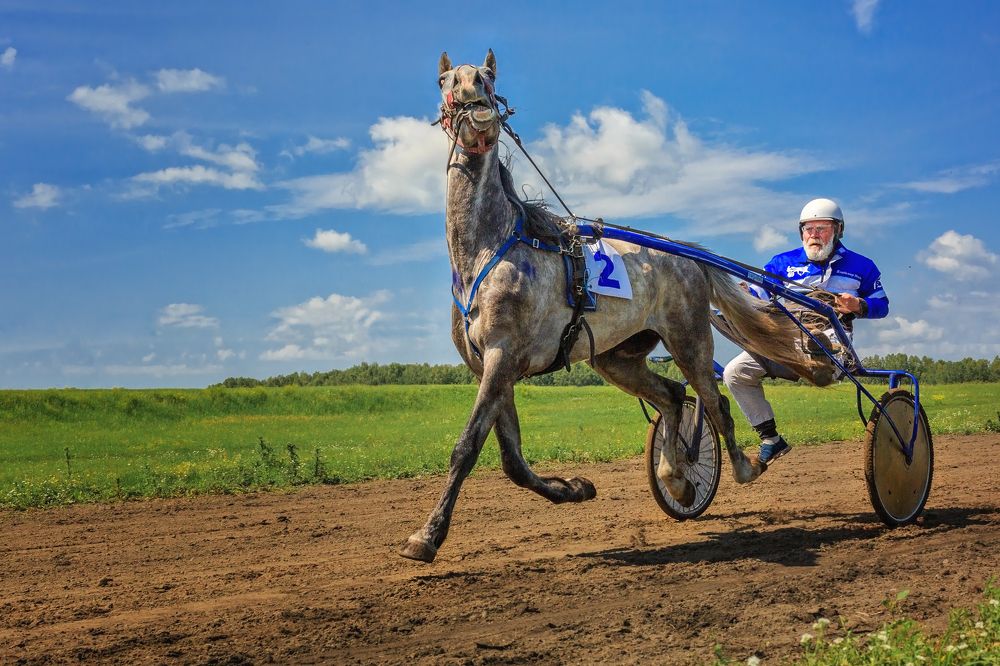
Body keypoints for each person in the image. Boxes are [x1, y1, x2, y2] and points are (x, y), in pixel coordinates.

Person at [722, 198, 889, 467]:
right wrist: (742, 293)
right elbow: (757, 293)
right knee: (735, 373)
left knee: (822, 346)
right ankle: (771, 439)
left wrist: (859, 304)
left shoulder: (862, 266)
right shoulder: (781, 263)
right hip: (784, 338)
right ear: (802, 232)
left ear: (838, 231)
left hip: (834, 336)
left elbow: (882, 305)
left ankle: (821, 357)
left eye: (822, 228)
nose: (814, 235)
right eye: (809, 229)